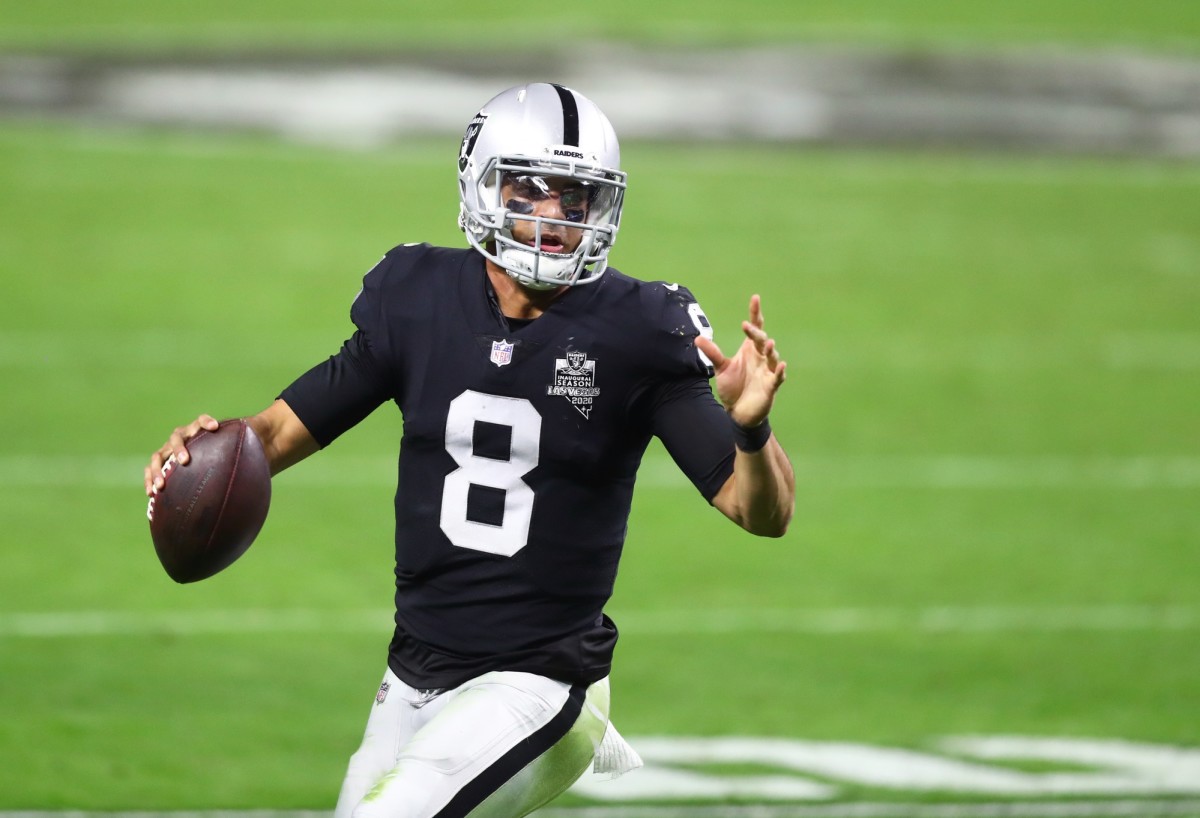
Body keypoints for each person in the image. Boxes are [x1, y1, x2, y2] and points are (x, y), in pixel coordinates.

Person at [144, 82, 795, 818]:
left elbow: (760, 511)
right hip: (413, 672)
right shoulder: (417, 297)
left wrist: (750, 427)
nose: (553, 218)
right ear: (481, 185)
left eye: (575, 198)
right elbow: (269, 436)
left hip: (542, 683)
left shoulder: (641, 329)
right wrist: (201, 451)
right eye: (530, 191)